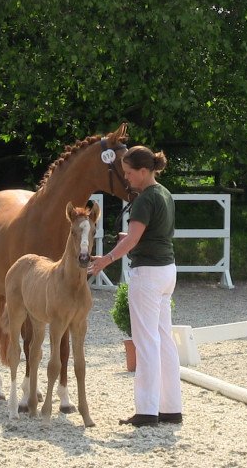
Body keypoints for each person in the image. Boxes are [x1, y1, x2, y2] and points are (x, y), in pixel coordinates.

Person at [88, 145, 182, 427]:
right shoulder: (164, 193)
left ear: (143, 171)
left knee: (146, 342)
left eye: (129, 173)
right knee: (164, 339)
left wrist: (107, 258)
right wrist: (128, 238)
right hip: (167, 270)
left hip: (148, 274)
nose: (126, 178)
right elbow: (147, 233)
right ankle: (171, 407)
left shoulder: (143, 200)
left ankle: (146, 411)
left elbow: (132, 240)